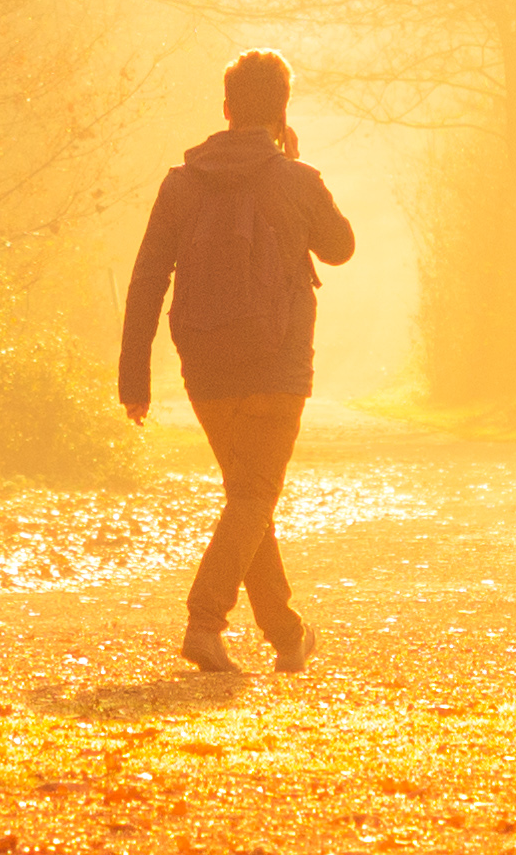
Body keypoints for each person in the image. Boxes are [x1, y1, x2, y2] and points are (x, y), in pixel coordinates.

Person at [118, 48, 357, 675]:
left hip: (207, 367)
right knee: (253, 495)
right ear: (282, 112)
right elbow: (341, 248)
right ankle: (204, 621)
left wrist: (134, 379)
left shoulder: (180, 184)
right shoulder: (297, 180)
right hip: (277, 369)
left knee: (246, 498)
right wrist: (297, 165)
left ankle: (286, 632)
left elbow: (146, 280)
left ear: (225, 110)